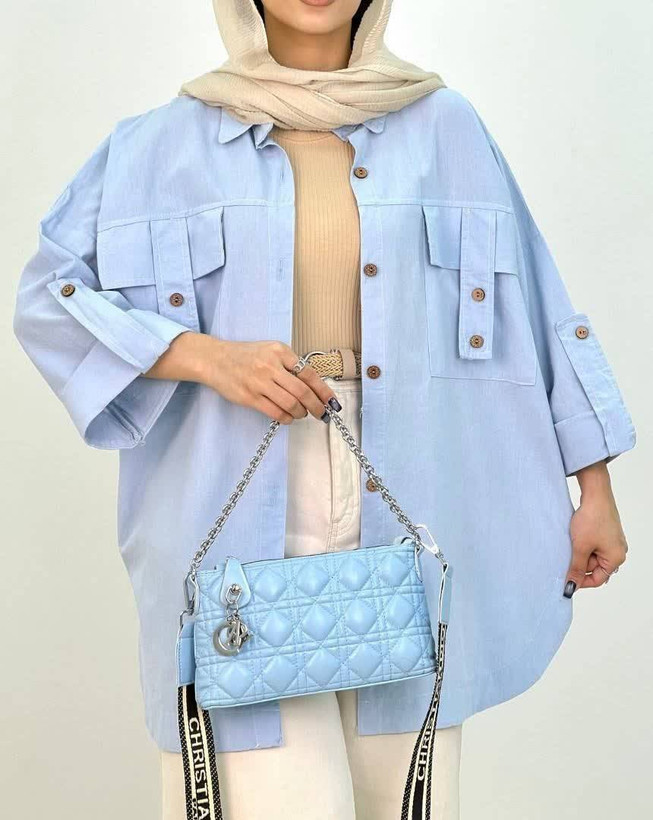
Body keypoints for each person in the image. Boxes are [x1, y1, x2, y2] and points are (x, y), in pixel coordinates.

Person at [12, 1, 636, 818]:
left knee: (398, 792)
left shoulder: (446, 128)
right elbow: (49, 300)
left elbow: (538, 307)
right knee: (269, 787)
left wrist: (594, 484)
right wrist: (207, 358)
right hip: (232, 504)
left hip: (419, 492)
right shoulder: (156, 145)